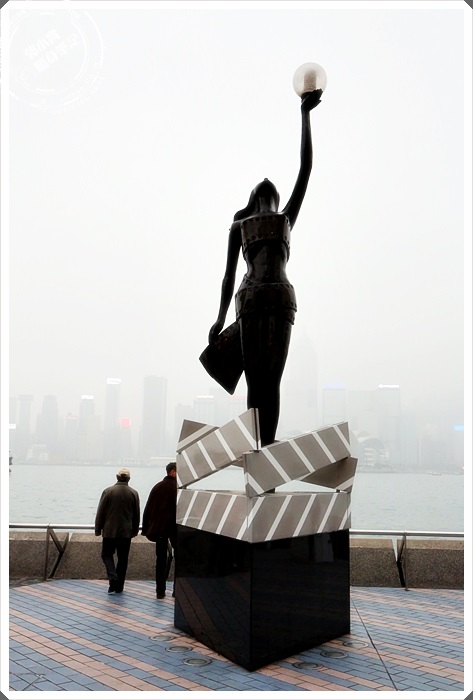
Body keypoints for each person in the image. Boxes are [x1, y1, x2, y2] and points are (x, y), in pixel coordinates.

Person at [206, 88, 323, 447]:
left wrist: (305, 114)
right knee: (266, 381)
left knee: (261, 381)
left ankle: (263, 448)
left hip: (256, 300)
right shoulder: (272, 221)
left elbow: (228, 278)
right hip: (272, 299)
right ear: (262, 198)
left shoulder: (255, 224)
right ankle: (264, 448)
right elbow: (306, 170)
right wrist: (305, 115)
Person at [95, 467, 140, 594]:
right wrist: (135, 530)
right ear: (129, 479)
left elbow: (101, 512)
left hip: (109, 531)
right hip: (126, 532)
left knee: (106, 554)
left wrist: (98, 529)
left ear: (117, 477)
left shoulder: (108, 491)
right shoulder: (134, 493)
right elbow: (136, 514)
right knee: (123, 559)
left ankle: (112, 576)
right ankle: (119, 587)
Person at [141, 462, 177, 599]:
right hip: (175, 530)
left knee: (160, 560)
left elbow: (148, 509)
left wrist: (145, 529)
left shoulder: (157, 487)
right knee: (179, 560)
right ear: (172, 472)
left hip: (159, 530)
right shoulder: (178, 488)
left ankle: (160, 591)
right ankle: (176, 590)